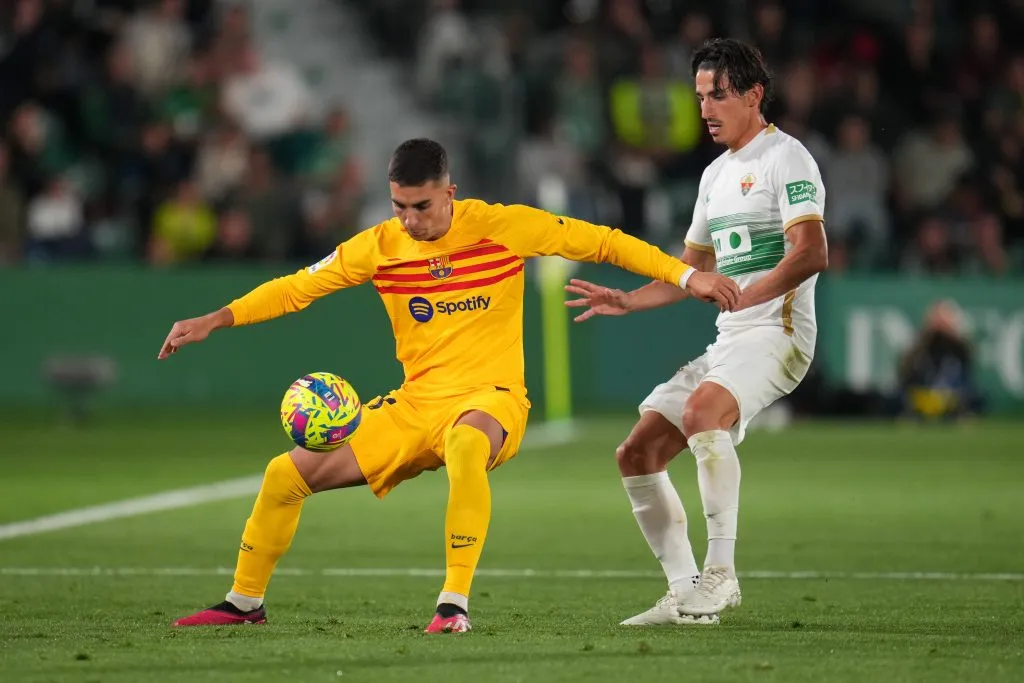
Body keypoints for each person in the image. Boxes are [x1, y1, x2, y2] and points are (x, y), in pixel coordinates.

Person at [158, 138, 740, 633]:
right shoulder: (379, 246)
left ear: (450, 192)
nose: (410, 219)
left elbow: (606, 242)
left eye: (421, 206)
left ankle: (452, 604)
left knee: (466, 443)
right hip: (415, 404)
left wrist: (686, 274)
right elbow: (294, 289)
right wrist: (216, 318)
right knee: (284, 474)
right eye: (399, 206)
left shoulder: (501, 226)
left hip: (493, 400)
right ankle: (244, 603)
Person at [565, 38, 829, 625]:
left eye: (718, 95)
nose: (705, 108)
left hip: (780, 332)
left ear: (754, 94)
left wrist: (746, 294)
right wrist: (628, 299)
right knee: (636, 452)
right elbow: (694, 271)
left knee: (702, 413)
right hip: (734, 337)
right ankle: (685, 593)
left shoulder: (788, 159)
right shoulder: (714, 175)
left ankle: (722, 575)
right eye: (700, 97)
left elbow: (811, 252)